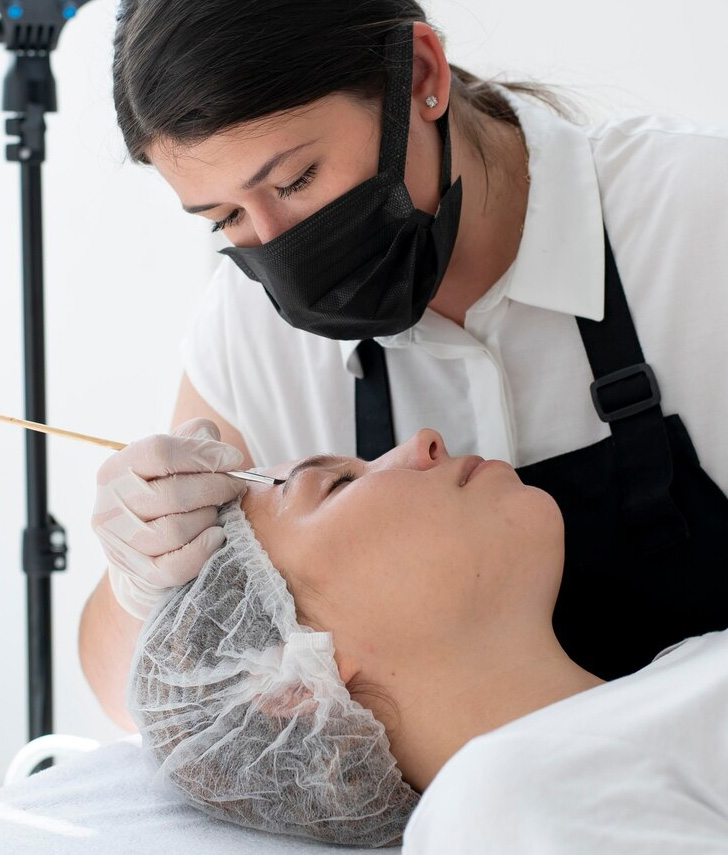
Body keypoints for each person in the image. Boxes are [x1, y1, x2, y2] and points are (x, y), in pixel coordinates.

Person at [80, 0, 728, 731]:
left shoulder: (704, 219)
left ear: (421, 75)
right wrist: (142, 582)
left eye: (296, 180)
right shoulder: (249, 331)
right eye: (225, 218)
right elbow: (153, 712)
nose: (276, 245)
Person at [128, 429, 728, 852]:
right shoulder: (505, 803)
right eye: (337, 484)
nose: (424, 441)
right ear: (295, 682)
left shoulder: (688, 666)